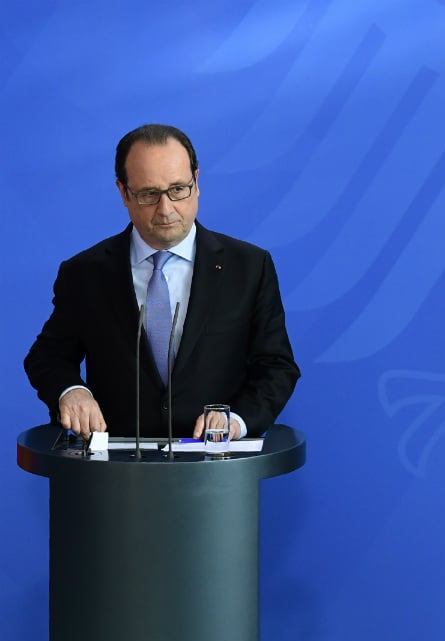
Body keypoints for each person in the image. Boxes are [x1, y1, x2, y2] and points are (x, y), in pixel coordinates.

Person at [25, 124, 300, 440]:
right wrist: (71, 391)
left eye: (178, 189)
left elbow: (276, 366)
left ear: (197, 182)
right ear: (123, 193)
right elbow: (48, 358)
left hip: (218, 468)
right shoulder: (85, 273)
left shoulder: (250, 267)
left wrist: (237, 420)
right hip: (114, 471)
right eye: (149, 194)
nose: (166, 209)